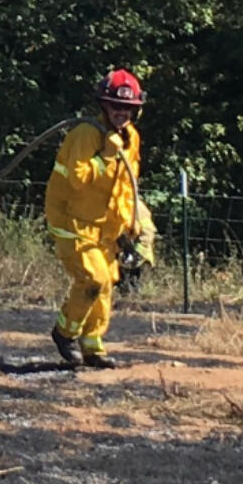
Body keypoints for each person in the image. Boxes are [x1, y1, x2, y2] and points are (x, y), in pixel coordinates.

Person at [44, 68, 152, 369]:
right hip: (71, 222)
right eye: (116, 106)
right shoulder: (85, 134)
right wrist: (105, 155)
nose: (122, 112)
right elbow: (78, 179)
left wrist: (132, 220)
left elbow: (128, 185)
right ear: (104, 106)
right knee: (92, 278)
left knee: (106, 284)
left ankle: (92, 346)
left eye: (128, 108)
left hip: (105, 228)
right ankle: (64, 333)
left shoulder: (131, 139)